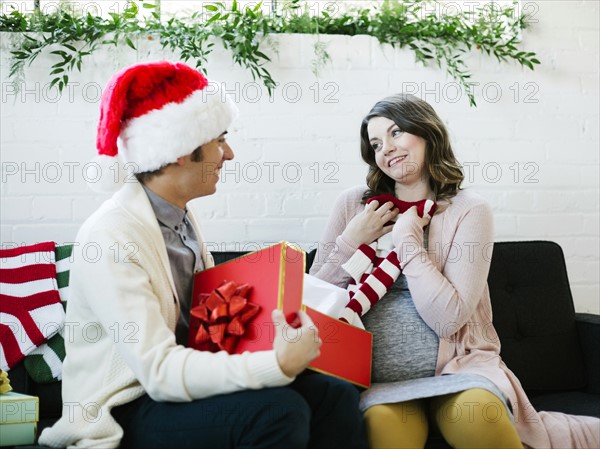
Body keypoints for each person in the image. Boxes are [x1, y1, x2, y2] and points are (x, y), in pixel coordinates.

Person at [38, 61, 368, 449]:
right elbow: (158, 371)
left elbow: (205, 327)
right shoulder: (111, 237)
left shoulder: (181, 218)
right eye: (220, 139)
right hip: (127, 407)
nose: (228, 154)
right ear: (180, 150)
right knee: (278, 411)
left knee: (335, 397)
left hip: (182, 387)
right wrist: (275, 365)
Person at [309, 93, 600, 449]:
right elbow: (310, 301)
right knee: (385, 432)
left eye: (397, 132)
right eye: (375, 143)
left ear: (428, 133)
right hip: (378, 382)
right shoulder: (354, 205)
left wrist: (408, 240)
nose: (386, 148)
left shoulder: (468, 210)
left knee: (478, 417)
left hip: (462, 369)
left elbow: (449, 320)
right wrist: (349, 242)